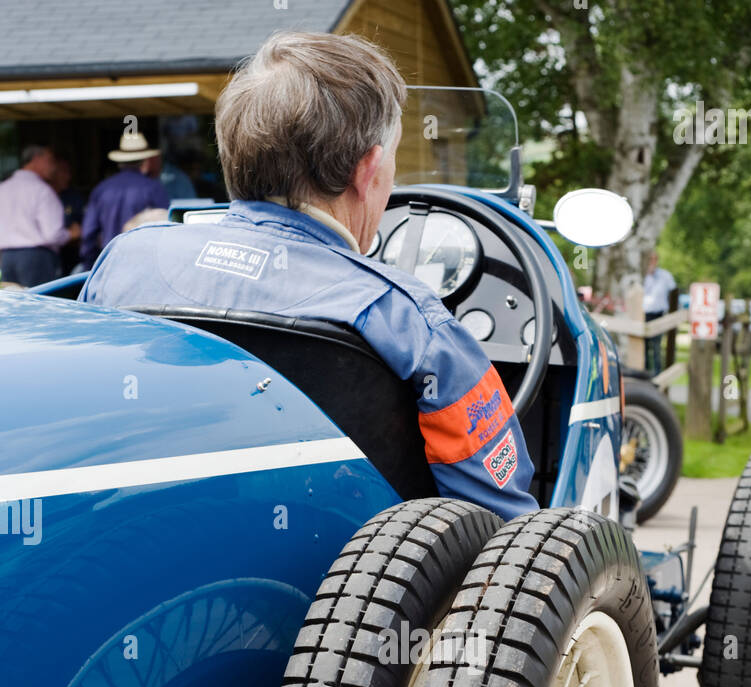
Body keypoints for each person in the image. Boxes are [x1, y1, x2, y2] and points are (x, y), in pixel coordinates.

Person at [80, 32, 537, 521]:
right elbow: (502, 524)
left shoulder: (125, 263)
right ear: (369, 171)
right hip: (355, 586)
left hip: (144, 545)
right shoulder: (409, 321)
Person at [79, 130, 170, 270]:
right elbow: (167, 226)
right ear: (145, 162)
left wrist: (90, 265)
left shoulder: (101, 189)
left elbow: (88, 233)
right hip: (143, 263)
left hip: (108, 263)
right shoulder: (153, 188)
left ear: (120, 162)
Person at [0, 146, 80, 286]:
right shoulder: (42, 190)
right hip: (36, 258)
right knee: (39, 305)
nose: (53, 167)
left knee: (13, 305)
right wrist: (72, 234)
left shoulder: (3, 188)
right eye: (50, 160)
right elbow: (52, 235)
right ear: (36, 160)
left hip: (6, 257)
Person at [643, 250, 676, 376]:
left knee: (656, 347)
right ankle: (646, 374)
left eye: (654, 259)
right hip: (644, 315)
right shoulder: (642, 276)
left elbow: (673, 292)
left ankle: (657, 375)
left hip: (658, 314)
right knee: (645, 348)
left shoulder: (665, 276)